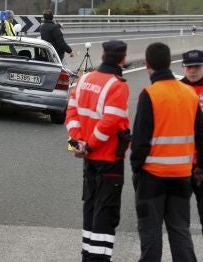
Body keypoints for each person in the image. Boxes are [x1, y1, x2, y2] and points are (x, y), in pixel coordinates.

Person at [130, 42, 203, 262]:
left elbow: (140, 140)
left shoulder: (150, 95)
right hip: (182, 174)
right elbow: (200, 135)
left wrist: (136, 168)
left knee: (151, 231)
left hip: (152, 175)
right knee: (180, 230)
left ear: (147, 65)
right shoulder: (189, 94)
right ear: (171, 63)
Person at [65, 40, 130, 261]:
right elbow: (110, 122)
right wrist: (91, 144)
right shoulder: (117, 85)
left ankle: (87, 256)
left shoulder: (84, 80)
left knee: (91, 209)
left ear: (102, 56)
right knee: (106, 214)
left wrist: (80, 142)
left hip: (89, 159)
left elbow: (71, 115)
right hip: (108, 158)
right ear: (123, 59)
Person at [180, 49, 203, 236]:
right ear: (183, 68)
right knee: (178, 218)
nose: (193, 71)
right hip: (182, 164)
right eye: (189, 67)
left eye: (197, 67)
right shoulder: (177, 89)